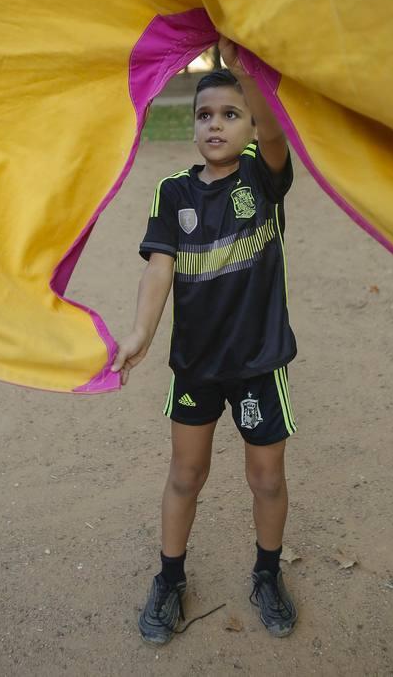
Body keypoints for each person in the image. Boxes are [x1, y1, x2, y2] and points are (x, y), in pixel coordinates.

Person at [112, 37, 298, 643]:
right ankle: (170, 580)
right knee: (185, 475)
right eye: (204, 115)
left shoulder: (262, 178)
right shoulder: (174, 192)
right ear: (192, 125)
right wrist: (141, 330)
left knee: (266, 478)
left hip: (258, 363)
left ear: (248, 124)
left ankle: (267, 574)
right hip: (196, 365)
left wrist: (248, 72)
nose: (215, 124)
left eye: (230, 113)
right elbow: (159, 266)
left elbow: (275, 133)